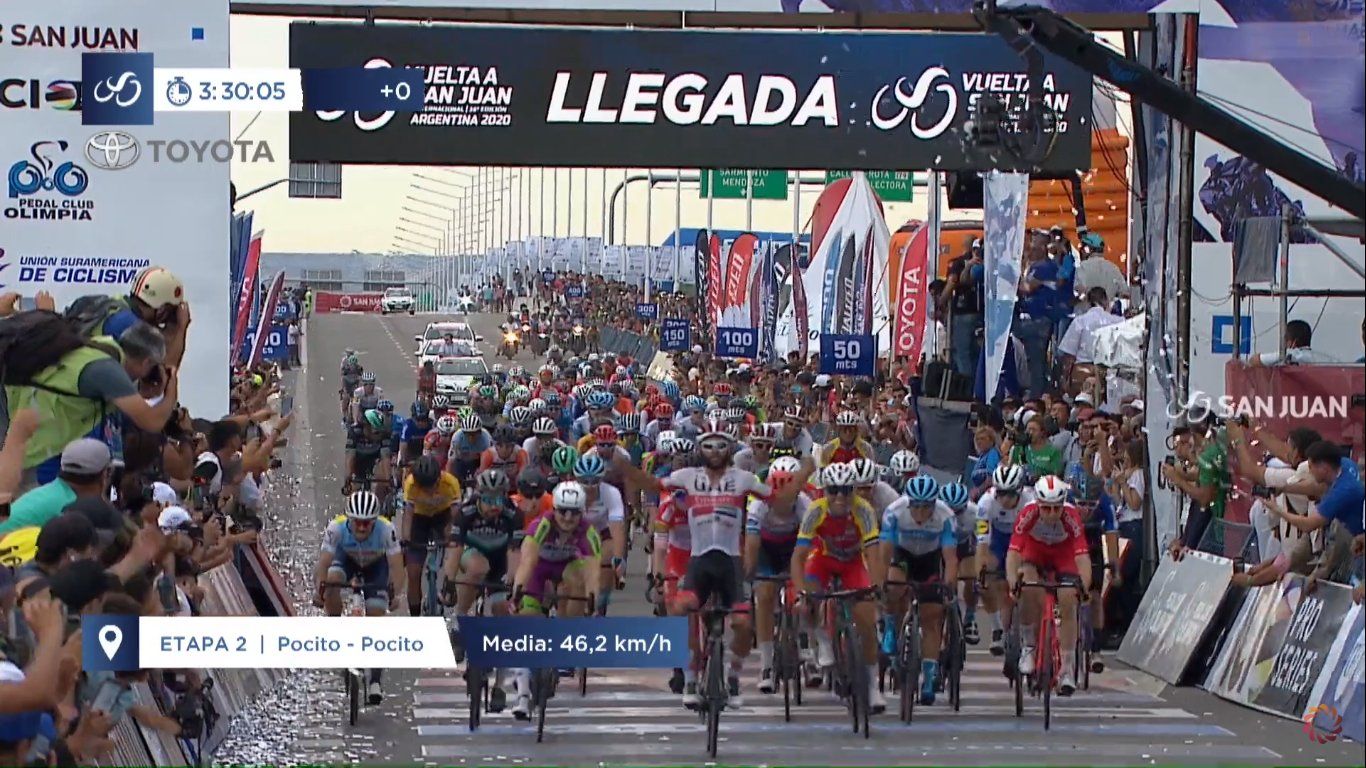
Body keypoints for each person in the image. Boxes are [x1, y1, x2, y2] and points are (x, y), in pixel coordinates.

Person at [315, 490, 403, 704]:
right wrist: (319, 592)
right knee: (333, 578)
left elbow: (397, 567)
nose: (362, 527)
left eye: (367, 523)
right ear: (349, 519)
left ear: (375, 521)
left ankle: (375, 680)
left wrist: (396, 594)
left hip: (376, 566)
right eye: (358, 523)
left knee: (375, 613)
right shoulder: (336, 528)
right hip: (347, 560)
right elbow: (324, 563)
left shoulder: (386, 529)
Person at [1006, 475, 1091, 696]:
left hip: (1063, 555)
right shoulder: (1028, 513)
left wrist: (1084, 587)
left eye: (1056, 508)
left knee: (1068, 598)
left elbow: (1082, 557)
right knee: (1027, 586)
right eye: (1046, 509)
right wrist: (1013, 582)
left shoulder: (1071, 516)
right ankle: (1029, 646)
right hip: (1035, 552)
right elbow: (1014, 553)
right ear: (1038, 505)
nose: (1052, 514)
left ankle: (1067, 668)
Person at [402, 455, 463, 617]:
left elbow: (456, 517)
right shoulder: (411, 483)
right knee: (413, 573)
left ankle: (448, 582)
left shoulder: (451, 483)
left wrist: (453, 539)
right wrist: (406, 541)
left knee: (453, 540)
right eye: (424, 487)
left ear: (439, 478)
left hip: (443, 516)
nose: (429, 491)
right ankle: (415, 618)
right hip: (419, 518)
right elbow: (407, 515)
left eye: (432, 485)